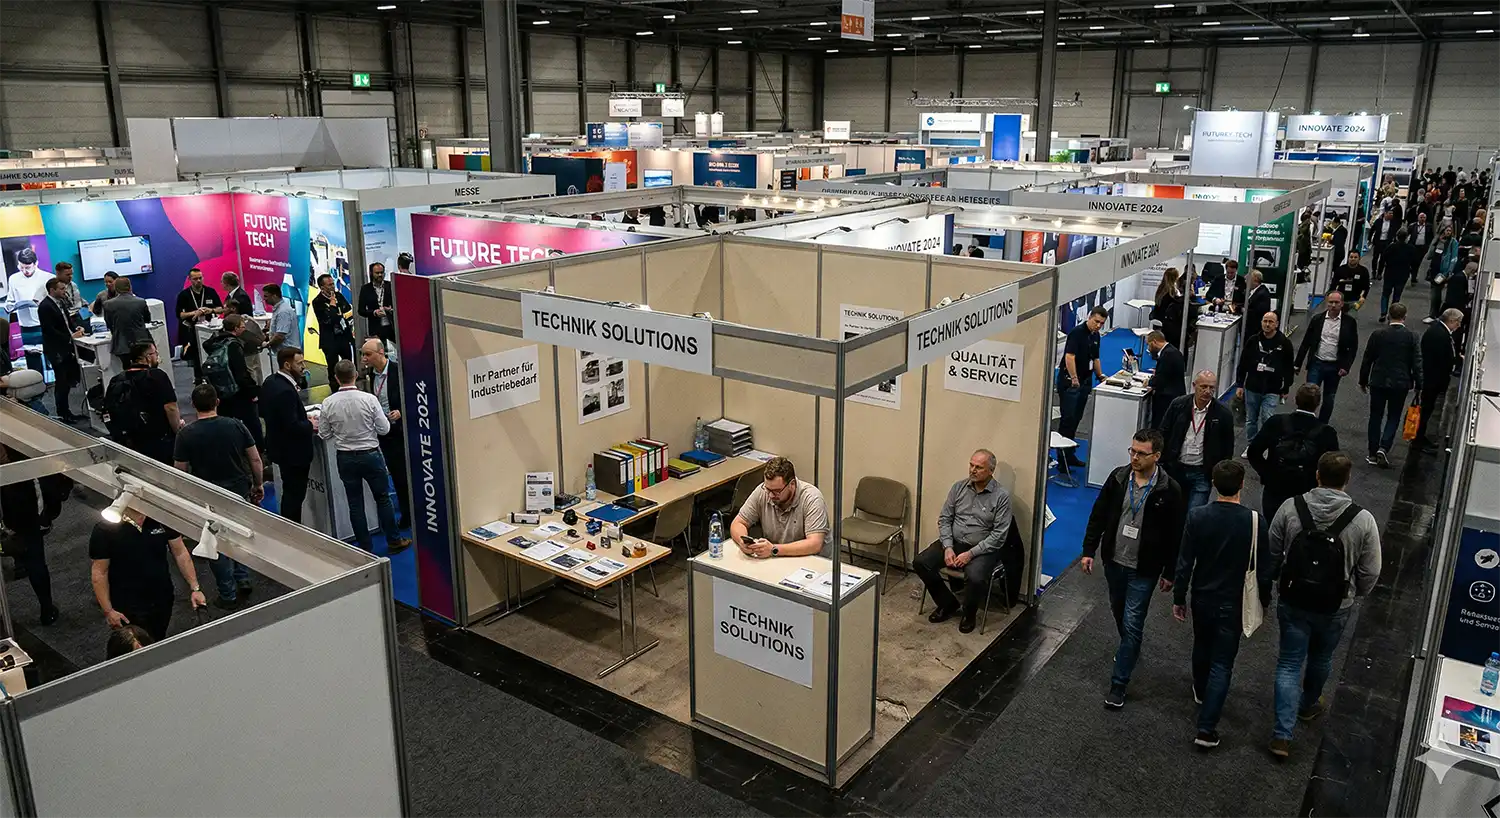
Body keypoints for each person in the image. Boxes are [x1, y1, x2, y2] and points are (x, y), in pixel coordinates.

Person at [1262, 452, 1382, 759]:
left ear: (1317, 475)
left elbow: (1273, 548)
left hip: (1293, 599)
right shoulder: (1363, 519)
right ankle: (1308, 704)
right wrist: (1355, 593)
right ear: (1347, 479)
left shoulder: (1292, 507)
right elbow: (1371, 570)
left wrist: (1275, 579)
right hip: (1335, 605)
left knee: (1289, 663)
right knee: (1322, 656)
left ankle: (1281, 735)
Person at [1081, 427, 1186, 709]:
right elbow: (1099, 514)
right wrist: (1088, 550)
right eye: (1132, 451)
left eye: (1141, 453)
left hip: (1145, 569)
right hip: (1115, 561)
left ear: (1157, 456)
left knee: (1133, 620)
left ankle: (1119, 684)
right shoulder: (1117, 478)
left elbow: (1176, 535)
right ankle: (1130, 645)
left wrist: (1170, 572)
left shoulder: (1170, 490)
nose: (1135, 458)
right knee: (1119, 611)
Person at [1172, 460, 1269, 749]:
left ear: (1213, 484)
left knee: (1201, 646)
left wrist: (1179, 597)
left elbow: (1184, 562)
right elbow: (1265, 568)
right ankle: (1206, 727)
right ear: (1242, 485)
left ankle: (1201, 691)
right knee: (1223, 663)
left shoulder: (1198, 516)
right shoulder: (1255, 521)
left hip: (1202, 597)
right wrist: (1265, 601)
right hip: (1234, 602)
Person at [174, 384, 263, 609]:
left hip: (208, 494)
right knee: (240, 534)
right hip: (238, 488)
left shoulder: (186, 434)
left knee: (216, 542)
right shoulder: (236, 425)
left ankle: (227, 593)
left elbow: (180, 470)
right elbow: (254, 459)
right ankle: (243, 577)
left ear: (193, 405)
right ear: (217, 402)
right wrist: (258, 483)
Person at [913, 450, 1013, 634]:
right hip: (955, 541)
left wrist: (970, 554)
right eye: (971, 465)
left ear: (991, 471)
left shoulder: (1001, 496)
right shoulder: (958, 488)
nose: (973, 470)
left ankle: (969, 614)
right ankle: (947, 603)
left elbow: (999, 535)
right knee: (921, 562)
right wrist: (948, 547)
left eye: (979, 467)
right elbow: (945, 519)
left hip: (983, 548)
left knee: (975, 577)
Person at [318, 360, 410, 555]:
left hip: (345, 458)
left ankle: (365, 548)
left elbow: (324, 434)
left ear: (336, 378)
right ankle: (394, 540)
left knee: (355, 503)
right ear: (355, 376)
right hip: (371, 455)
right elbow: (384, 429)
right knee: (383, 498)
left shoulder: (328, 403)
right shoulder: (369, 399)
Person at [89, 508, 206, 642]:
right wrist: (108, 610)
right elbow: (99, 573)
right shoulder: (104, 529)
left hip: (162, 597)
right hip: (127, 604)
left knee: (157, 637)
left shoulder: (162, 519)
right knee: (132, 645)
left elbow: (180, 553)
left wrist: (195, 588)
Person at [1248, 384, 1341, 518]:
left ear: (1296, 400)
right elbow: (1333, 467)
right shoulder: (1327, 433)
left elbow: (1253, 452)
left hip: (1276, 487)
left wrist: (1267, 473)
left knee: (1272, 529)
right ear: (1318, 404)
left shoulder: (1276, 422)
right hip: (1307, 491)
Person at [1358, 302, 1422, 468]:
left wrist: (1363, 380)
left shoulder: (1378, 334)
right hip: (1400, 384)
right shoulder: (1412, 336)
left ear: (1389, 316)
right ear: (1404, 317)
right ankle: (1384, 447)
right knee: (1393, 416)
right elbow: (1417, 362)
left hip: (1378, 381)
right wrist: (1419, 384)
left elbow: (1367, 359)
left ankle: (1372, 453)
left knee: (1375, 416)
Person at [1159, 371, 1235, 510]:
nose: (1207, 391)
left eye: (1212, 388)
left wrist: (1219, 473)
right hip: (1175, 469)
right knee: (1171, 511)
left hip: (1202, 473)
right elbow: (1164, 432)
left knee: (1194, 514)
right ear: (1194, 386)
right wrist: (1163, 461)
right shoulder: (1178, 405)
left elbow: (1227, 447)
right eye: (1203, 387)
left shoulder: (1223, 414)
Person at [729, 456, 830, 559]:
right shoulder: (762, 492)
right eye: (768, 489)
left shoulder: (812, 498)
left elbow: (815, 544)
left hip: (811, 560)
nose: (771, 495)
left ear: (792, 484)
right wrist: (742, 542)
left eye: (777, 491)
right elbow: (738, 523)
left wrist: (774, 549)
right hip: (778, 557)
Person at [0, 446, 57, 624]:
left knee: (31, 557)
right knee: (36, 561)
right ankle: (47, 608)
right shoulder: (16, 442)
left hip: (13, 509)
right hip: (24, 509)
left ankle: (19, 562)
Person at [261, 347, 316, 523]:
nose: (304, 367)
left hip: (279, 449)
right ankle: (292, 530)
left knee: (290, 492)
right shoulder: (285, 390)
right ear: (287, 364)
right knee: (294, 496)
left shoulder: (270, 381)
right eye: (299, 363)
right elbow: (292, 426)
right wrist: (309, 424)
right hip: (294, 454)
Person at [105, 342, 181, 464]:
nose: (157, 356)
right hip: (158, 438)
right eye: (155, 353)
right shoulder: (157, 376)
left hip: (129, 439)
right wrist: (178, 431)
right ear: (147, 357)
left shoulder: (117, 379)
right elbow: (170, 407)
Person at [360, 337, 409, 526]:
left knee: (403, 474)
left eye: (368, 354)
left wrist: (402, 412)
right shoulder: (371, 375)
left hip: (400, 431)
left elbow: (415, 395)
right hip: (382, 432)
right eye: (363, 354)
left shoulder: (399, 371)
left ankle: (408, 513)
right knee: (394, 474)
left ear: (381, 353)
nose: (364, 358)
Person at [1294, 291, 1359, 424]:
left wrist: (1346, 366)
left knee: (1329, 398)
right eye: (1331, 302)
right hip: (1316, 363)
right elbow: (1306, 342)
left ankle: (1322, 425)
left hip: (1335, 366)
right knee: (1309, 395)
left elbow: (1353, 347)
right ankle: (1306, 423)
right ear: (1326, 303)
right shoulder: (1317, 319)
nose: (1333, 305)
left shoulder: (1349, 322)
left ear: (1342, 304)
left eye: (1336, 302)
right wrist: (1298, 363)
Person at [1236, 310, 1295, 451]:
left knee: (1267, 418)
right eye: (1265, 321)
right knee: (1251, 419)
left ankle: (1266, 446)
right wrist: (1239, 384)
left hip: (1273, 388)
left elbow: (1288, 367)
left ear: (1277, 324)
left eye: (1270, 322)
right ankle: (1251, 446)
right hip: (1253, 386)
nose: (1267, 324)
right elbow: (1243, 362)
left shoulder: (1284, 343)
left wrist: (1286, 387)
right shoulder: (1253, 341)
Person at [204, 314, 263, 453]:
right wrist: (253, 391)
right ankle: (258, 452)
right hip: (238, 392)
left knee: (225, 422)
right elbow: (241, 373)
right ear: (235, 329)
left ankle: (229, 449)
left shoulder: (215, 341)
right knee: (253, 423)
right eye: (242, 326)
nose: (244, 329)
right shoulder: (233, 345)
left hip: (221, 390)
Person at [1057, 307, 1107, 468]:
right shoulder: (1077, 333)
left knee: (1077, 419)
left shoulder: (1096, 335)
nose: (1098, 325)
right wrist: (1074, 378)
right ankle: (1062, 460)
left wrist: (1100, 376)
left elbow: (1096, 358)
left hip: (1086, 381)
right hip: (1071, 383)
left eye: (1102, 323)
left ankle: (1070, 454)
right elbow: (1069, 357)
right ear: (1089, 317)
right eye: (1096, 321)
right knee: (1068, 420)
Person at [1414, 308, 1463, 451]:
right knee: (1426, 409)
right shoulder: (1440, 334)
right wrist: (1454, 360)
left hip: (1432, 378)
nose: (1459, 325)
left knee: (1427, 409)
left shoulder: (1437, 330)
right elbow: (1441, 359)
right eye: (1458, 322)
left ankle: (1420, 436)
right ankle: (1418, 439)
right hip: (1432, 380)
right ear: (1452, 321)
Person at [38, 276, 84, 423]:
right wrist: (70, 336)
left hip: (66, 347)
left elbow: (65, 321)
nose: (65, 291)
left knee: (68, 380)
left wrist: (73, 328)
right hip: (56, 350)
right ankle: (62, 413)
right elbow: (49, 330)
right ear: (52, 290)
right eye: (62, 289)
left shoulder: (61, 302)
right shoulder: (45, 306)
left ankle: (67, 411)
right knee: (61, 382)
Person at [175, 268, 223, 381]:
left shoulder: (210, 291)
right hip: (191, 330)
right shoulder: (184, 295)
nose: (198, 281)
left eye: (200, 278)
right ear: (190, 279)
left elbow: (221, 309)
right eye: (195, 279)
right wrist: (195, 312)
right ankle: (198, 378)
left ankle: (214, 376)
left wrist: (210, 311)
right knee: (196, 356)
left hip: (209, 329)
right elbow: (180, 315)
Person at [312, 274, 355, 371]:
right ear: (322, 287)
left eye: (333, 284)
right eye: (329, 285)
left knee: (348, 365)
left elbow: (347, 309)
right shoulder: (317, 302)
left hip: (343, 337)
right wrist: (332, 306)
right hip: (330, 340)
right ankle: (334, 385)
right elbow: (328, 320)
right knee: (332, 367)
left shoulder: (338, 296)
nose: (332, 286)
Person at [101, 276, 152, 357]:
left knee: (126, 367)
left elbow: (109, 324)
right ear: (130, 287)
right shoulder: (141, 302)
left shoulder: (107, 304)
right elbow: (147, 320)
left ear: (116, 289)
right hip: (141, 342)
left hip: (121, 345)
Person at [1146, 330, 1186, 429]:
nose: (1148, 348)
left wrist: (1149, 382)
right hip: (1175, 395)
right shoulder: (1172, 351)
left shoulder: (1168, 355)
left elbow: (1161, 379)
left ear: (1154, 342)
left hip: (1167, 399)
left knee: (1161, 426)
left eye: (1149, 344)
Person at [1378, 229, 1418, 321]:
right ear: (1407, 237)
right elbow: (1415, 262)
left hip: (1390, 273)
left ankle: (1383, 312)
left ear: (1396, 237)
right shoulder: (1411, 249)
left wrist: (1379, 272)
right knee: (1397, 295)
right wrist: (1413, 275)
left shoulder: (1391, 247)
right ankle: (1393, 313)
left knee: (1385, 294)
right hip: (1403, 274)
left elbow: (1382, 259)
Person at [359, 262, 396, 346]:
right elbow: (361, 310)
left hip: (391, 327)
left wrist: (391, 309)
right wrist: (374, 312)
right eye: (377, 273)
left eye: (382, 272)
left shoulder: (390, 286)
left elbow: (398, 305)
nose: (380, 275)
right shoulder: (365, 289)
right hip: (376, 329)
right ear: (371, 273)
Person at [1426, 224, 1457, 322]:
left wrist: (1448, 272)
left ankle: (1433, 315)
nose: (1448, 232)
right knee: (1434, 291)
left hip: (1442, 271)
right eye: (1447, 230)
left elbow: (1454, 258)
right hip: (1434, 268)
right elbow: (1431, 253)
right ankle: (1432, 314)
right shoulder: (1438, 240)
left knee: (1436, 292)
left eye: (1450, 231)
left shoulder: (1453, 242)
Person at [1152, 266, 1185, 349]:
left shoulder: (1161, 289)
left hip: (1158, 316)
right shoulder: (1173, 291)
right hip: (1168, 321)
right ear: (1175, 278)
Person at [262, 284, 298, 356]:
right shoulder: (280, 309)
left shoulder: (283, 311)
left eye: (266, 296)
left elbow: (280, 335)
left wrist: (268, 344)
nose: (264, 299)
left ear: (274, 296)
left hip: (287, 352)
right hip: (284, 351)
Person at [1369, 210, 1397, 279]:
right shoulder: (1379, 221)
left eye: (1392, 214)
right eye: (1389, 213)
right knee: (1375, 258)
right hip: (1378, 241)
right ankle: (1374, 272)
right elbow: (1372, 230)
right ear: (1385, 214)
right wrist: (1369, 239)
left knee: (1383, 258)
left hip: (1386, 242)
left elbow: (1394, 232)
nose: (1391, 215)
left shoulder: (1393, 223)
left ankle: (1379, 273)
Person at [1407, 212, 1433, 285]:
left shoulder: (1429, 226)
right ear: (1418, 218)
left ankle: (1414, 277)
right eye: (1421, 217)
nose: (1422, 219)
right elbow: (1408, 234)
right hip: (1413, 246)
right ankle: (1410, 272)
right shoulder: (1412, 226)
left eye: (1424, 217)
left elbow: (1431, 236)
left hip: (1422, 248)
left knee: (1418, 262)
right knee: (1411, 261)